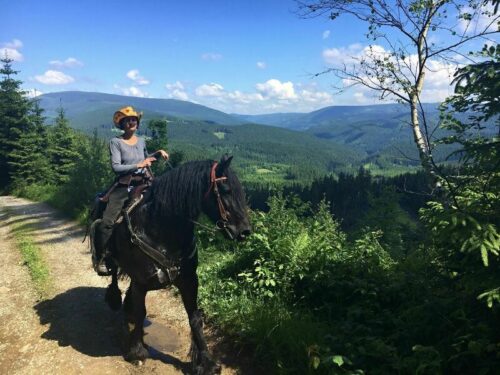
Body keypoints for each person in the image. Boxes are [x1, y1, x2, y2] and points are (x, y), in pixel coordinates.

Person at [93, 106, 169, 275]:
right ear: (122, 124)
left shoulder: (141, 141)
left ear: (137, 123)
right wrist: (138, 165)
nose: (131, 122)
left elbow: (146, 159)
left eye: (134, 120)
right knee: (108, 222)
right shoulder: (115, 142)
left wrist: (158, 153)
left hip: (145, 182)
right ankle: (104, 257)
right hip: (124, 186)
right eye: (127, 120)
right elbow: (116, 167)